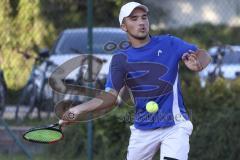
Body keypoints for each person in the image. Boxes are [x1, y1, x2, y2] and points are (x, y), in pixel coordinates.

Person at [60, 2, 211, 160]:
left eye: (144, 17)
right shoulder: (120, 59)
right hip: (142, 130)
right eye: (134, 19)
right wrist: (77, 110)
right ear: (124, 26)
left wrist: (198, 63)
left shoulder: (169, 43)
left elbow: (203, 54)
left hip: (175, 125)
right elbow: (110, 96)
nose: (141, 22)